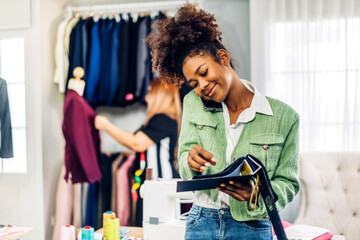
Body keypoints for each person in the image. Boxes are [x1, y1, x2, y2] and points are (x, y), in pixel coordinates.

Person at [146, 3, 300, 240]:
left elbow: (288, 183)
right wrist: (191, 161)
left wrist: (255, 193)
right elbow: (185, 162)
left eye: (204, 72)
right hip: (201, 222)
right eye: (194, 83)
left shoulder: (284, 117)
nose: (202, 86)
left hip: (252, 226)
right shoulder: (193, 104)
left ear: (223, 57)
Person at [94, 77, 181, 179]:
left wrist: (106, 125)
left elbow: (136, 143)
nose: (146, 98)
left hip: (162, 184)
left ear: (160, 96)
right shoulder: (161, 120)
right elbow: (133, 142)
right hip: (157, 184)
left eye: (149, 93)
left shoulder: (163, 120)